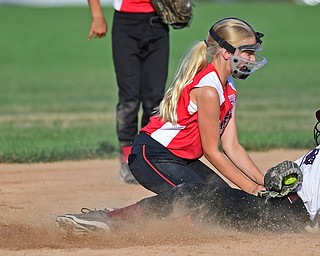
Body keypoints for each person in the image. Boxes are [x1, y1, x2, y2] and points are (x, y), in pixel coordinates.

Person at [55, 109, 320, 234]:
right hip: (275, 205)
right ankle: (145, 225)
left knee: (197, 195)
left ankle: (111, 220)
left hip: (283, 215)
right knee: (213, 202)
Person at [128, 16, 267, 196]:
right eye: (248, 52)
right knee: (202, 201)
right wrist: (251, 188)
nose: (252, 58)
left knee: (227, 202)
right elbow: (211, 152)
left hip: (182, 159)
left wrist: (262, 181)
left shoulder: (229, 86)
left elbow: (232, 146)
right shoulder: (208, 90)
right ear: (226, 52)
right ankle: (110, 219)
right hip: (153, 155)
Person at [87, 0, 170, 184]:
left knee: (155, 99)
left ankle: (148, 154)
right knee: (129, 98)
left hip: (158, 21)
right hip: (126, 23)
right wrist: (97, 16)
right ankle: (128, 158)